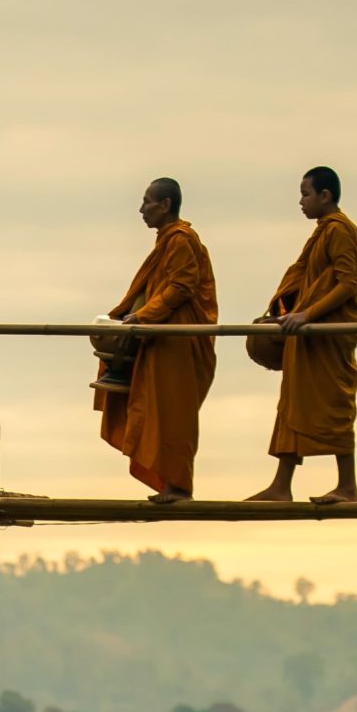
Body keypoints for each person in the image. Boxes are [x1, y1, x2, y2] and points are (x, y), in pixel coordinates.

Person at [93, 177, 219, 502]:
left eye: (147, 201)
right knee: (158, 410)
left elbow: (181, 287)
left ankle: (179, 486)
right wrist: (131, 316)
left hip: (178, 341)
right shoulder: (167, 241)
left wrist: (144, 316)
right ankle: (170, 485)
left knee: (174, 413)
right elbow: (157, 289)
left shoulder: (182, 240)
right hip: (162, 339)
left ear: (165, 205)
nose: (141, 209)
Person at [249, 166, 357, 503]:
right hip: (307, 334)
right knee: (292, 405)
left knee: (335, 405)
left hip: (328, 334)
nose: (300, 202)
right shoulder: (322, 231)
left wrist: (307, 315)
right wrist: (282, 315)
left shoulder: (341, 231)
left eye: (305, 194)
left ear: (325, 196)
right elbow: (304, 280)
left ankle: (348, 486)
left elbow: (348, 284)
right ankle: (281, 485)